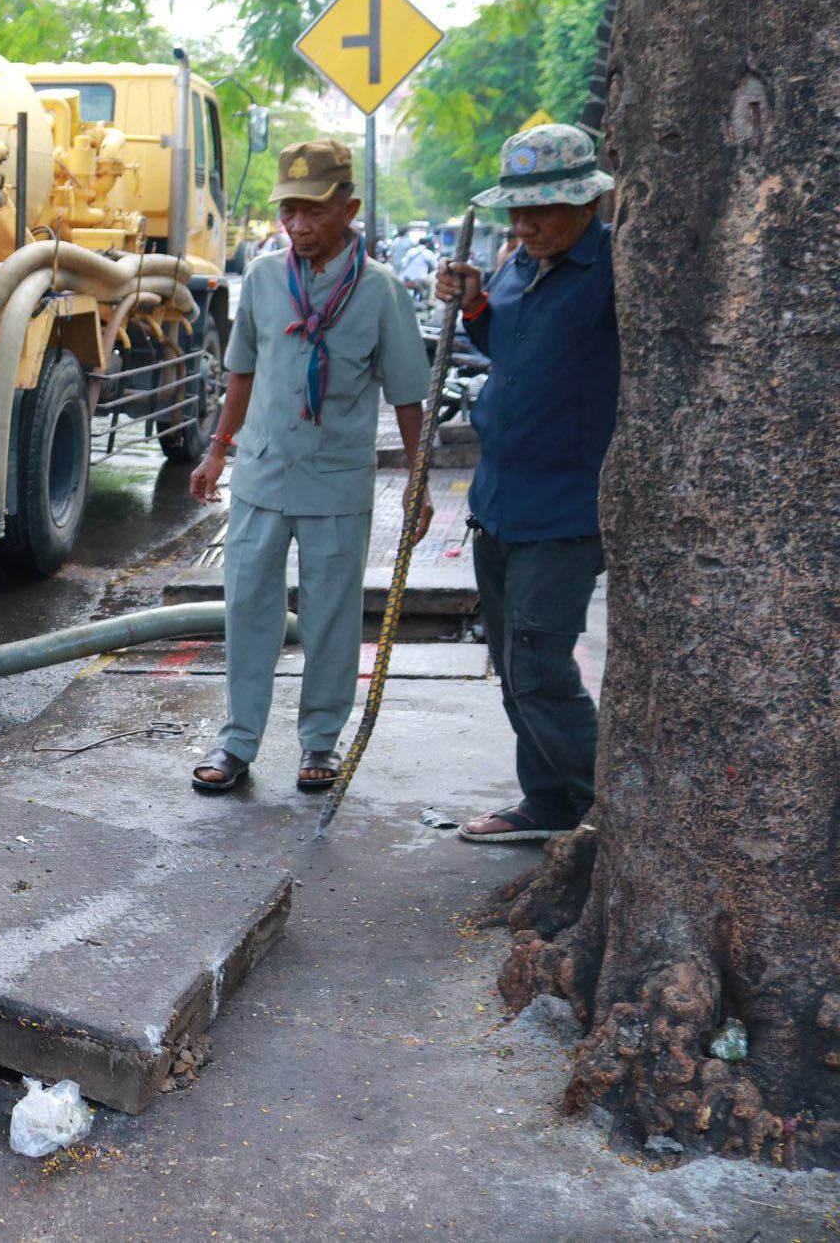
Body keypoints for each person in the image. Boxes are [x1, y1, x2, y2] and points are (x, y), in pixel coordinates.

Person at [188, 140, 433, 793]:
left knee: (331, 619)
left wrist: (419, 482)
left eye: (314, 211)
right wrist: (217, 450)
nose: (298, 226)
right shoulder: (264, 278)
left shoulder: (381, 291)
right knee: (248, 610)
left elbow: (408, 396)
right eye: (288, 211)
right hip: (262, 477)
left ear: (349, 209)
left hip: (337, 484)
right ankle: (237, 741)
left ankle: (320, 742)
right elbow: (242, 371)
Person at [435, 123, 618, 843]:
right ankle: (547, 802)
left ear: (586, 205)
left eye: (542, 211)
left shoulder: (613, 269)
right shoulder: (518, 263)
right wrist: (475, 304)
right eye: (517, 210)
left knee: (540, 666)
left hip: (566, 508)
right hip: (499, 502)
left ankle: (608, 814)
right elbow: (509, 346)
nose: (525, 225)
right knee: (514, 669)